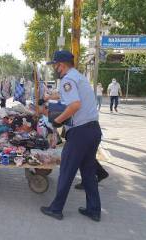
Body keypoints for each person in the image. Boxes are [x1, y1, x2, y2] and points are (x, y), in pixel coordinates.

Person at [41, 50, 102, 222]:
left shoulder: (68, 79)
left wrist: (57, 121)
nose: (55, 69)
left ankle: (56, 209)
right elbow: (67, 96)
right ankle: (94, 210)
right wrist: (50, 95)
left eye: (55, 65)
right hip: (93, 130)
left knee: (67, 170)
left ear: (61, 65)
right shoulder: (78, 77)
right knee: (89, 172)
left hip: (80, 133)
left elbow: (74, 104)